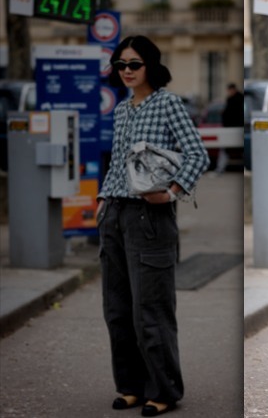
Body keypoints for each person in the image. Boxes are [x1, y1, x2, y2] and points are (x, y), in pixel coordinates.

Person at [96, 35, 209, 417]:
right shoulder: (123, 110)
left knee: (151, 308)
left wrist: (174, 191)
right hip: (114, 215)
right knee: (117, 308)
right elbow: (116, 163)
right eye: (121, 65)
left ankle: (163, 390)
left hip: (149, 217)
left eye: (134, 64)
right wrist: (101, 202)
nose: (126, 71)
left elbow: (198, 153)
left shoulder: (168, 104)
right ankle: (130, 386)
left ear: (151, 66)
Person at [215, 83, 244, 174]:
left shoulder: (233, 100)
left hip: (233, 127)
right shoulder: (238, 98)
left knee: (225, 148)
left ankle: (220, 169)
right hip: (235, 128)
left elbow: (231, 114)